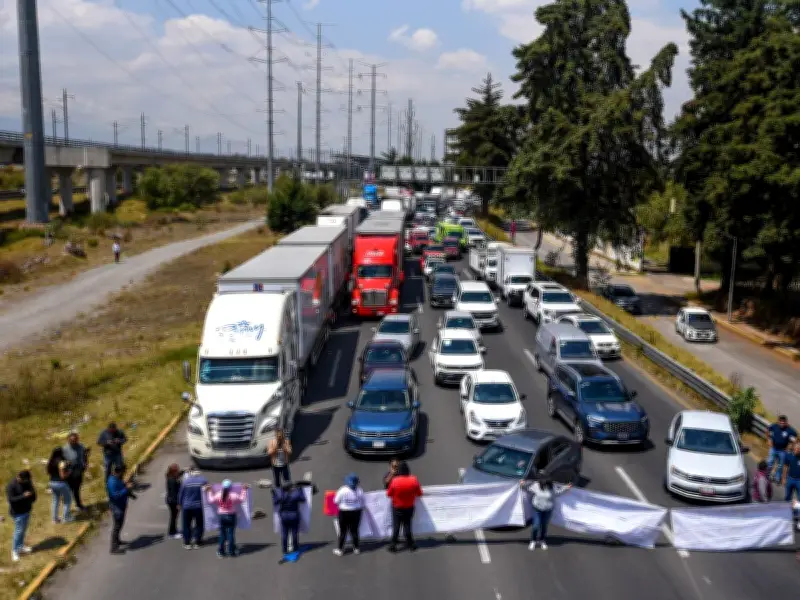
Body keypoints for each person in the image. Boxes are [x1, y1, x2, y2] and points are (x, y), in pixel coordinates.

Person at [522, 476, 572, 550]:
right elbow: (528, 489)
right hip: (537, 509)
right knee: (536, 525)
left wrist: (566, 487)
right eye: (544, 484)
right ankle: (533, 541)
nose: (546, 485)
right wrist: (523, 485)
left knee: (544, 526)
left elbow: (558, 492)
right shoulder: (536, 485)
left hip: (548, 510)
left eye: (547, 484)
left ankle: (542, 540)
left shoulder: (552, 488)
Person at [205, 480, 249, 558]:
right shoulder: (233, 495)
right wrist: (244, 489)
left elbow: (211, 500)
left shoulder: (218, 495)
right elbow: (242, 499)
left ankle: (221, 552)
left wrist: (209, 491)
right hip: (231, 515)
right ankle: (231, 551)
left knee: (222, 534)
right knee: (231, 534)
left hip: (222, 516)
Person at [386, 461, 422, 552]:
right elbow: (419, 493)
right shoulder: (414, 479)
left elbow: (389, 494)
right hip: (409, 507)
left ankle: (393, 545)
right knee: (407, 526)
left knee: (396, 527)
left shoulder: (395, 481)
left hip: (397, 507)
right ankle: (411, 544)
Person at [6, 470, 36, 562]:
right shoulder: (11, 486)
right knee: (18, 531)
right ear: (19, 477)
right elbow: (11, 500)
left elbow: (32, 491)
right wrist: (23, 496)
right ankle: (14, 551)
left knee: (23, 530)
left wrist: (32, 497)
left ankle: (21, 546)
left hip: (26, 510)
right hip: (18, 513)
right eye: (24, 481)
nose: (26, 482)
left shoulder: (27, 481)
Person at [272, 481, 306, 562]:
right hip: (294, 515)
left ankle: (285, 549)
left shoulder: (281, 495)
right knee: (294, 532)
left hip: (284, 516)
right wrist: (300, 490)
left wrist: (274, 494)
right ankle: (295, 547)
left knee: (284, 533)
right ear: (290, 488)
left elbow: (275, 502)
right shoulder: (296, 494)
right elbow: (303, 499)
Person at [107, 464, 136, 554]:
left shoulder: (117, 479)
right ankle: (113, 548)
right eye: (122, 472)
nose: (123, 474)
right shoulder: (112, 482)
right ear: (118, 472)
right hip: (117, 507)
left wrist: (129, 492)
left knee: (120, 524)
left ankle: (117, 540)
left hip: (122, 505)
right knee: (117, 526)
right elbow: (115, 495)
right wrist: (126, 490)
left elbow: (123, 486)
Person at [333, 473, 365, 556]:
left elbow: (335, 501)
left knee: (343, 531)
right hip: (356, 512)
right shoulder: (359, 490)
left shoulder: (342, 490)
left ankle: (340, 549)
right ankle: (356, 548)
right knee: (354, 530)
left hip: (344, 512)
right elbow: (363, 503)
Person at [179, 467, 208, 549]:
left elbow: (181, 494)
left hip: (186, 506)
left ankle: (187, 543)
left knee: (186, 525)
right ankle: (197, 542)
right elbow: (207, 492)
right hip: (198, 506)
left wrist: (179, 503)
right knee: (199, 524)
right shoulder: (203, 481)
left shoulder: (185, 482)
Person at [62, 432, 89, 511]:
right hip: (69, 472)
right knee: (69, 489)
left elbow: (85, 455)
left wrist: (85, 463)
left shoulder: (81, 446)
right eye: (72, 440)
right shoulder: (65, 449)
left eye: (76, 440)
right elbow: (61, 461)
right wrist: (66, 465)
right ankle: (66, 506)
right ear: (69, 440)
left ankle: (78, 505)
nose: (74, 442)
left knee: (77, 489)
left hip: (79, 470)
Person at [46, 447, 73, 524]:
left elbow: (49, 472)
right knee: (67, 500)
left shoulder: (51, 461)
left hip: (52, 482)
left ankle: (54, 519)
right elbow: (62, 476)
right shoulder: (61, 462)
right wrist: (69, 472)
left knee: (55, 500)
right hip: (61, 483)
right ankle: (65, 518)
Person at [767, 415, 797, 482]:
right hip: (773, 448)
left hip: (782, 451)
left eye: (783, 422)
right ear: (778, 421)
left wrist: (791, 446)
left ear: (786, 422)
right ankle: (767, 475)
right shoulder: (774, 426)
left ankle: (778, 478)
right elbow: (768, 429)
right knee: (770, 462)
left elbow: (795, 436)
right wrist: (768, 439)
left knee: (780, 465)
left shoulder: (789, 429)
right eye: (781, 422)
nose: (782, 423)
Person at [165, 464, 183, 539]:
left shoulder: (170, 477)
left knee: (174, 516)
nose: (178, 471)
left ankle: (174, 530)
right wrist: (178, 503)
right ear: (174, 471)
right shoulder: (172, 480)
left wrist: (184, 471)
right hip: (173, 501)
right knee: (173, 517)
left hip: (171, 500)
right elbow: (173, 493)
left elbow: (180, 473)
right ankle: (172, 533)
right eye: (177, 470)